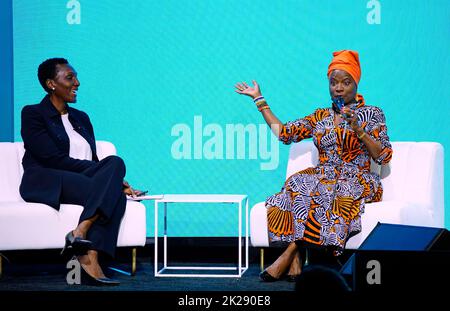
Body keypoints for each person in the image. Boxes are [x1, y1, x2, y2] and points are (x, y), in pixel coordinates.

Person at [235, 50, 393, 282]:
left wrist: (359, 130)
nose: (339, 88)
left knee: (327, 190)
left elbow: (384, 156)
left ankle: (291, 251)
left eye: (345, 82)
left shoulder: (372, 113)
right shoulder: (320, 116)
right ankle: (297, 259)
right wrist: (260, 101)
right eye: (333, 82)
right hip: (323, 175)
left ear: (356, 84)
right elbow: (285, 133)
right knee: (298, 182)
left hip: (357, 179)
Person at [20, 58, 142, 286]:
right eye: (69, 77)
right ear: (50, 84)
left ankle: (81, 235)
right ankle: (90, 254)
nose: (77, 82)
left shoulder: (81, 117)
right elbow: (52, 159)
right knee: (114, 190)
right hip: (47, 179)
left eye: (75, 77)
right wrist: (112, 181)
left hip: (80, 180)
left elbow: (94, 160)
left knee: (115, 163)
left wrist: (112, 177)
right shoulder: (33, 114)